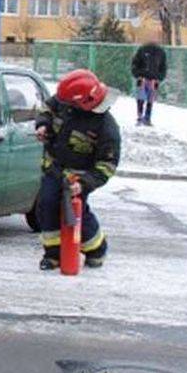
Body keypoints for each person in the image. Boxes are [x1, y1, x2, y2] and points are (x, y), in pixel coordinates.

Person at [34, 69, 120, 270]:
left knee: (76, 213)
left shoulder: (106, 128)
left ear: (85, 102)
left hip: (78, 177)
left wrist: (83, 184)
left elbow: (106, 166)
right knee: (46, 206)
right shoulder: (65, 100)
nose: (65, 105)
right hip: (54, 167)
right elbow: (46, 108)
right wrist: (43, 125)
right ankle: (53, 254)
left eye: (70, 103)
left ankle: (96, 249)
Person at [131, 37, 168, 126]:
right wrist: (138, 75)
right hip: (142, 79)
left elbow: (163, 67)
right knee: (140, 98)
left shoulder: (161, 52)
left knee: (150, 100)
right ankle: (140, 117)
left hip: (154, 80)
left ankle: (147, 118)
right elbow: (135, 64)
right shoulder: (142, 50)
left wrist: (159, 77)